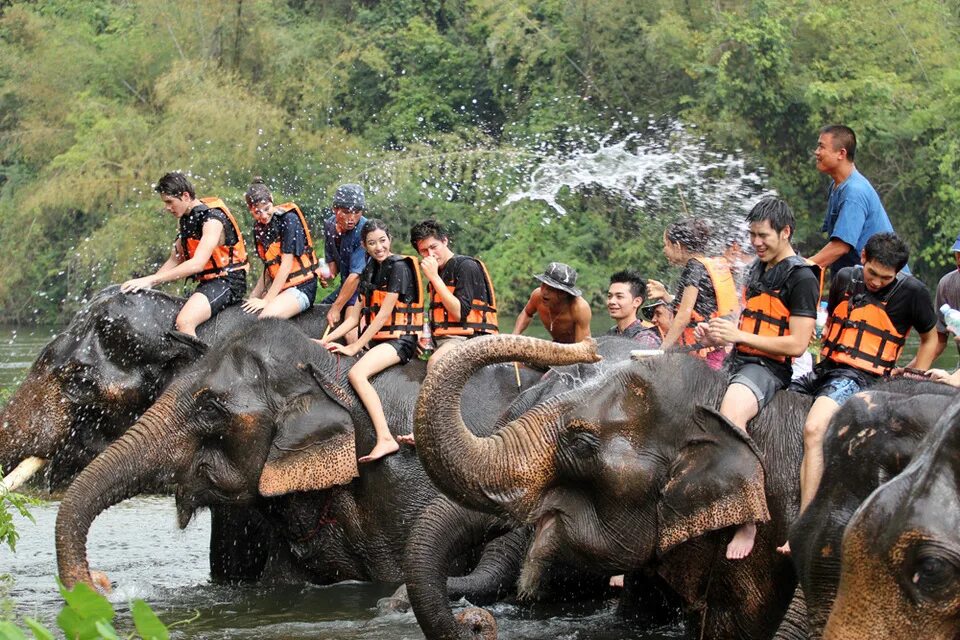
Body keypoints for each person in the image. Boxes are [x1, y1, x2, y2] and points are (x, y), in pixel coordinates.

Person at [785, 232, 938, 552]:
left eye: (886, 278)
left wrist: (910, 374)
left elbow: (931, 339)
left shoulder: (913, 293)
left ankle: (806, 526)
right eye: (872, 273)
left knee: (814, 429)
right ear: (863, 257)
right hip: (826, 369)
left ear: (898, 273)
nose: (877, 282)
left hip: (862, 376)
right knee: (778, 396)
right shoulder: (843, 278)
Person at [697, 197, 820, 559]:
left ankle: (748, 517)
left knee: (732, 415)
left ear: (785, 232)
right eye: (751, 235)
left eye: (763, 235)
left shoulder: (802, 277)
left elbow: (797, 343)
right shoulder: (756, 269)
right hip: (738, 358)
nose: (756, 242)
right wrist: (716, 334)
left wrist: (740, 338)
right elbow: (745, 321)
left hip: (768, 368)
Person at [319, 219, 423, 463]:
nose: (379, 247)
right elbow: (354, 317)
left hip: (400, 340)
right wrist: (325, 340)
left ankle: (385, 438)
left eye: (382, 241)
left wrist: (355, 346)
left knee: (357, 374)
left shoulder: (399, 267)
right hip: (380, 341)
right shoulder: (369, 269)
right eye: (372, 243)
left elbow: (384, 314)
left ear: (390, 239)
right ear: (365, 246)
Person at [121, 172, 248, 337]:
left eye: (170, 202)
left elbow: (197, 264)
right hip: (209, 283)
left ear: (185, 196)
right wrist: (149, 285)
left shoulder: (213, 220)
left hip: (229, 281)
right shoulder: (187, 219)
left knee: (184, 322)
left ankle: (202, 363)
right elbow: (175, 259)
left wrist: (151, 279)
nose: (167, 207)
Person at [647, 218, 738, 369]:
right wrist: (665, 295)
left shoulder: (694, 268)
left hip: (703, 352)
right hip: (718, 350)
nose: (664, 250)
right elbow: (699, 307)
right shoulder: (707, 265)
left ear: (677, 246)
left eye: (666, 244)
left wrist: (662, 351)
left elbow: (684, 315)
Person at [807, 125, 897, 276]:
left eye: (821, 146)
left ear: (841, 153)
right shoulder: (837, 186)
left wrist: (803, 265)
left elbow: (841, 246)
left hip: (883, 283)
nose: (816, 152)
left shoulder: (854, 191)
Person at [410, 219, 498, 369]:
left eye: (434, 247)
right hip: (445, 339)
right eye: (424, 251)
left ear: (445, 241)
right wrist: (421, 333)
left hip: (472, 338)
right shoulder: (438, 272)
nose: (431, 254)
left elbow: (459, 313)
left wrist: (434, 277)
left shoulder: (466, 266)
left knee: (436, 363)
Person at [242, 178, 321, 319]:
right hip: (282, 289)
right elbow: (268, 270)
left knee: (265, 318)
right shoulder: (259, 229)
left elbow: (286, 265)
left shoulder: (288, 220)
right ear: (250, 211)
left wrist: (266, 300)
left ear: (272, 199)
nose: (264, 216)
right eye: (257, 212)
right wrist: (252, 297)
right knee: (246, 316)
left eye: (266, 209)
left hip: (302, 287)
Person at [322, 184, 369, 331]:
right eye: (346, 212)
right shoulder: (330, 225)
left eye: (357, 212)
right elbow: (332, 267)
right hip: (345, 286)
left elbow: (355, 277)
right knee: (320, 310)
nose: (352, 218)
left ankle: (360, 353)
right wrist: (327, 276)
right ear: (335, 209)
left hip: (363, 287)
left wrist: (336, 307)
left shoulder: (364, 230)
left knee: (349, 332)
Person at [513, 262, 591, 343]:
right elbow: (527, 313)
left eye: (550, 289)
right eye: (543, 285)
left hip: (577, 348)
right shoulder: (537, 296)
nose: (544, 292)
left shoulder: (580, 308)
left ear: (563, 293)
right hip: (556, 344)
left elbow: (582, 348)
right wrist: (514, 336)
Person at [606, 270, 661, 348]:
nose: (611, 301)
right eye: (609, 296)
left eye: (619, 296)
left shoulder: (645, 339)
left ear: (637, 302)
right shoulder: (612, 333)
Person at [932, 231, 960, 361]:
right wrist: (909, 370)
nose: (959, 260)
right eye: (958, 253)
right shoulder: (947, 284)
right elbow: (939, 342)